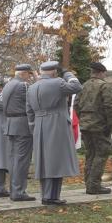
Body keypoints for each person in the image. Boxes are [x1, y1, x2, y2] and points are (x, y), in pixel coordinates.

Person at [26, 61, 82, 205]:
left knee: (44, 162)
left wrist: (34, 128)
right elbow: (77, 87)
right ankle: (51, 196)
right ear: (54, 72)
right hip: (56, 123)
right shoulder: (57, 82)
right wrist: (68, 73)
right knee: (56, 161)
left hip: (39, 125)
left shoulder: (32, 87)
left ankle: (47, 194)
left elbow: (29, 112)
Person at [75, 62, 112, 195]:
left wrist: (83, 118)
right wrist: (109, 124)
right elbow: (109, 106)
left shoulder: (83, 86)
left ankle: (89, 183)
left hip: (85, 124)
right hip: (99, 125)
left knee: (90, 153)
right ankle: (94, 185)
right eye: (104, 73)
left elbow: (76, 105)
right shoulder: (104, 86)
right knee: (102, 152)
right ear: (101, 72)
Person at [3, 64, 37, 201]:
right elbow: (35, 98)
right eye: (29, 74)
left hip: (11, 123)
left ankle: (14, 190)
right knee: (22, 160)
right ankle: (18, 191)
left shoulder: (8, 84)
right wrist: (37, 78)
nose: (30, 77)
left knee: (14, 160)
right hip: (22, 125)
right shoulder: (23, 85)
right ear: (24, 74)